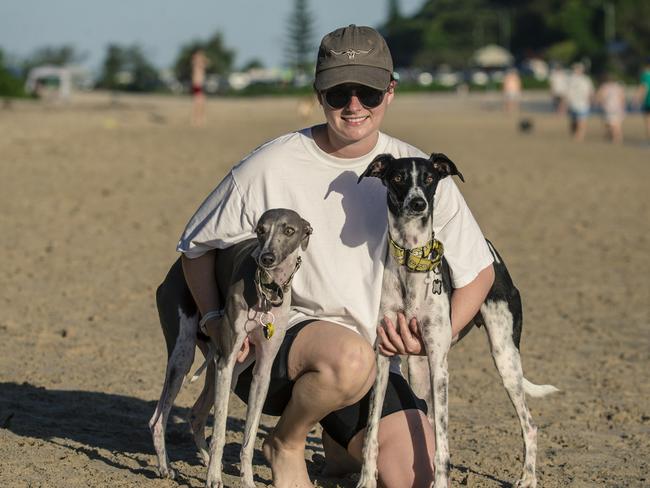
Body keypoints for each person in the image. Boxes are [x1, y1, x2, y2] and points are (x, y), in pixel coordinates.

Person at [177, 25, 495, 488]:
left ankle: (339, 442)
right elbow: (194, 248)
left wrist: (432, 340)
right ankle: (284, 443)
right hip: (280, 352)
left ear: (390, 91)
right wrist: (211, 319)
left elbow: (479, 273)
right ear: (318, 92)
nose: (353, 105)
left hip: (373, 367)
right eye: (337, 92)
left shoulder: (417, 172)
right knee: (347, 359)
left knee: (416, 477)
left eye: (366, 91)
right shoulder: (268, 166)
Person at [565, 62, 595, 142]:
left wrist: (591, 100)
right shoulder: (569, 79)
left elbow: (591, 91)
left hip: (583, 104)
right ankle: (575, 134)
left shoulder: (586, 79)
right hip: (572, 104)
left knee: (581, 121)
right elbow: (566, 92)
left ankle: (580, 136)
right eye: (576, 69)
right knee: (574, 122)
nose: (577, 70)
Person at [595, 73, 626, 144]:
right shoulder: (618, 87)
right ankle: (617, 138)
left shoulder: (605, 87)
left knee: (613, 125)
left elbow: (599, 97)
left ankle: (616, 139)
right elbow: (622, 98)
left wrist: (599, 102)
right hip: (615, 108)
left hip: (609, 108)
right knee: (615, 125)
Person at [191, 49, 208, 127]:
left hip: (199, 84)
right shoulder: (197, 63)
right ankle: (197, 119)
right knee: (198, 102)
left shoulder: (198, 64)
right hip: (197, 84)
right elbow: (205, 63)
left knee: (200, 102)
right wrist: (201, 58)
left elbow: (207, 63)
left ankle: (199, 118)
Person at [635, 60, 650, 139]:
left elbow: (644, 88)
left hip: (648, 101)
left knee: (648, 120)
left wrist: (637, 99)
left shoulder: (645, 76)